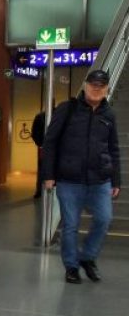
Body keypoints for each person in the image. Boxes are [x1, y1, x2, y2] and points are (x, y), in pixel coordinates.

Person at [41, 68, 121, 284]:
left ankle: (87, 257)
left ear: (107, 90)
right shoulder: (67, 110)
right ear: (85, 86)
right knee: (70, 226)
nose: (97, 89)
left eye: (101, 86)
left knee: (104, 219)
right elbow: (50, 143)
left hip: (100, 180)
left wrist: (116, 180)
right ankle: (71, 267)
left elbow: (113, 149)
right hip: (69, 180)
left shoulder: (108, 115)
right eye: (93, 85)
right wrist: (48, 175)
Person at [31, 110, 47, 198]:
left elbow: (34, 133)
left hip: (43, 147)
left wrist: (40, 144)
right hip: (55, 147)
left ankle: (40, 190)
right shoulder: (60, 115)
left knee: (41, 169)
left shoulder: (40, 117)